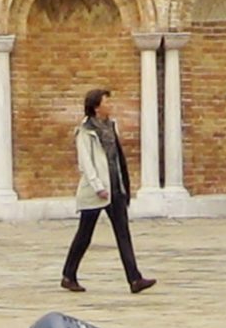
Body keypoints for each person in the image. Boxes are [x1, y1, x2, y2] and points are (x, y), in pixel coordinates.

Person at [61, 86, 155, 295]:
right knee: (84, 235)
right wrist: (98, 186)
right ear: (96, 107)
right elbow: (86, 162)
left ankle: (135, 279)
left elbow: (116, 158)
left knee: (123, 234)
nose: (110, 105)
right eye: (106, 102)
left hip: (115, 188)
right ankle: (68, 274)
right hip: (96, 191)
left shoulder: (112, 126)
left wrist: (122, 185)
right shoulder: (85, 132)